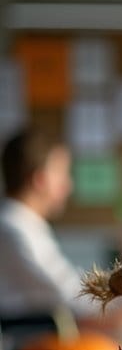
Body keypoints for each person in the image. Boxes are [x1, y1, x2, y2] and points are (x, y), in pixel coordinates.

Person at [0, 127, 95, 322]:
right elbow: (70, 297)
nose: (69, 186)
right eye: (62, 173)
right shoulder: (14, 228)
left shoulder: (25, 224)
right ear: (40, 179)